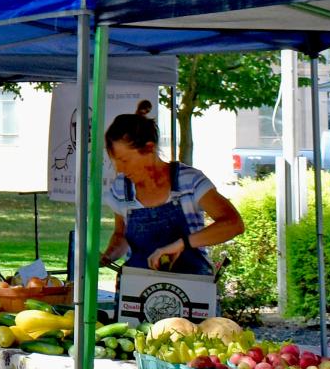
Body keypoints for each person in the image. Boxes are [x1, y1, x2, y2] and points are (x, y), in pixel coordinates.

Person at [97, 112, 245, 274]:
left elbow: (233, 224)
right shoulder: (120, 188)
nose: (120, 169)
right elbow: (121, 234)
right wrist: (109, 255)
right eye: (115, 162)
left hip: (189, 288)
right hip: (138, 287)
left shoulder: (188, 181)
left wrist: (182, 244)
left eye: (125, 160)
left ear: (149, 148)